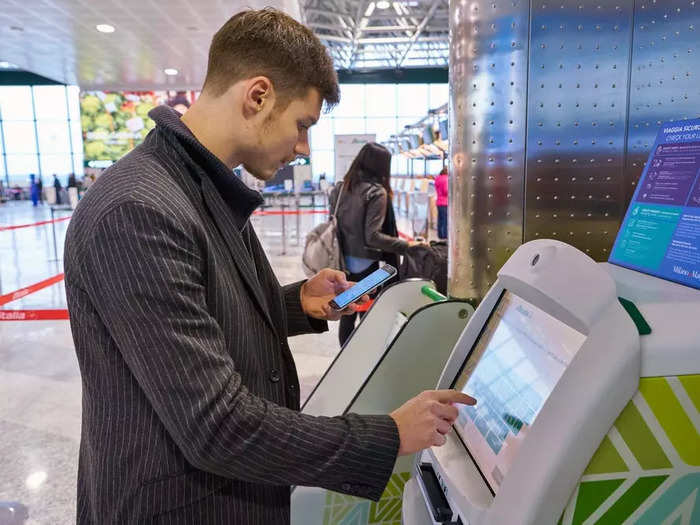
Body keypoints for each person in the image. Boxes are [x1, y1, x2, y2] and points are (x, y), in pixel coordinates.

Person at [63, 9, 475, 524]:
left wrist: (295, 304)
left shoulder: (200, 188)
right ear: (257, 96)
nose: (302, 149)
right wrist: (389, 434)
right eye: (302, 125)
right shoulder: (139, 211)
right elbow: (216, 426)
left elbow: (195, 319)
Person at [330, 143, 423, 346]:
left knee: (347, 312)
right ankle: (364, 357)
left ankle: (346, 356)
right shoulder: (376, 193)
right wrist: (408, 246)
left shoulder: (340, 188)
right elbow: (372, 237)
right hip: (365, 263)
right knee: (366, 313)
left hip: (342, 259)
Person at [435, 166, 448, 239]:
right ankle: (445, 236)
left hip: (439, 201)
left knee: (440, 219)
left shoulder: (437, 178)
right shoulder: (446, 179)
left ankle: (440, 234)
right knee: (445, 220)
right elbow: (446, 191)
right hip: (445, 202)